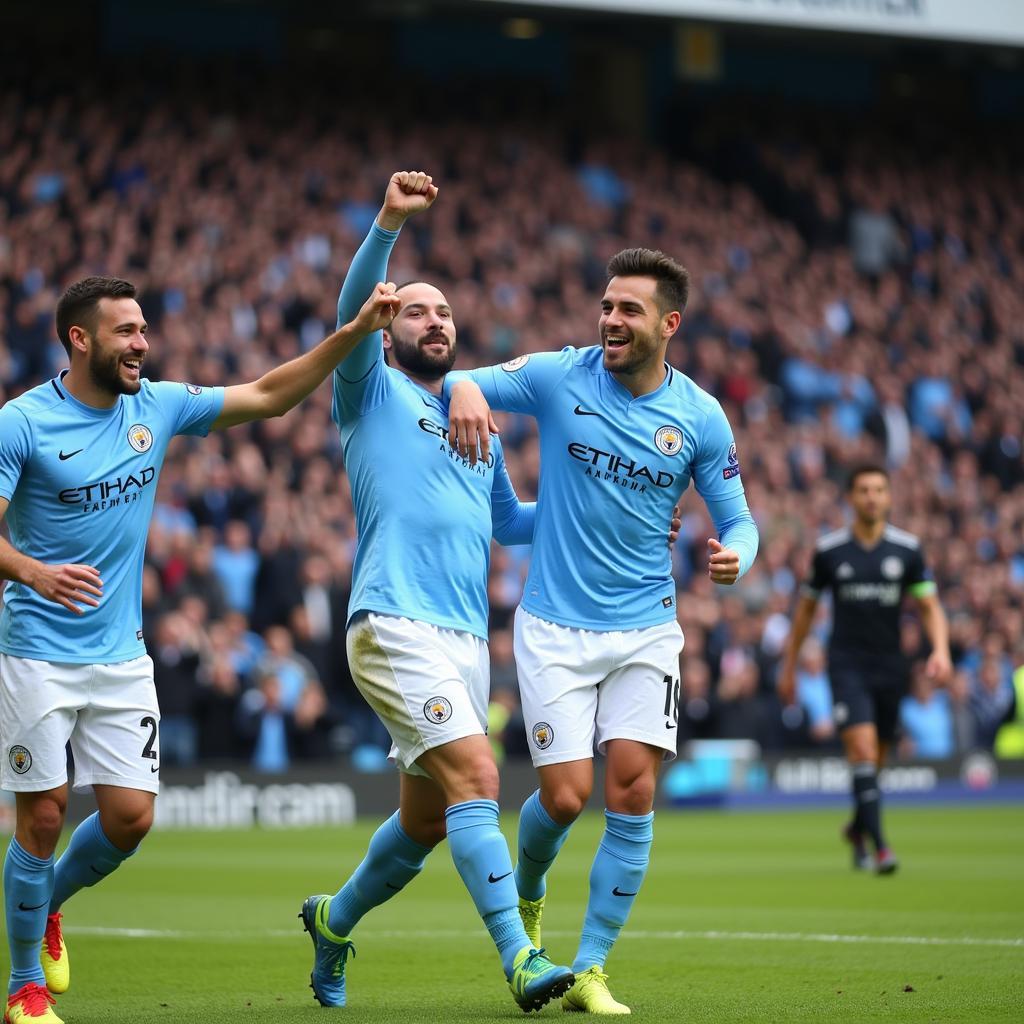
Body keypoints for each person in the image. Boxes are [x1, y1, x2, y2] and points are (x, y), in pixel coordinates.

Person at [0, 273, 400, 1024]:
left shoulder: (156, 405)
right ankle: (24, 984)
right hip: (36, 652)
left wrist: (354, 335)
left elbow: (271, 394)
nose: (143, 344)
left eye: (145, 329)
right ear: (80, 338)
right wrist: (32, 571)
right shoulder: (21, 423)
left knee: (129, 820)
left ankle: (44, 904)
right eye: (127, 332)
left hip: (120, 657)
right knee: (43, 818)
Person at [445, 247, 760, 1014]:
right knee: (563, 797)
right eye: (607, 306)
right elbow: (460, 376)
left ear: (669, 324)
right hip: (555, 628)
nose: (610, 320)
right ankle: (527, 889)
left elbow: (741, 520)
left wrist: (734, 558)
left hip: (647, 630)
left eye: (629, 310)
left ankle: (589, 968)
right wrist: (463, 393)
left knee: (633, 789)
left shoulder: (699, 417)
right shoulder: (559, 376)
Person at [297, 172, 575, 1014]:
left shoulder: (474, 426)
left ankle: (333, 922)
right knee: (480, 777)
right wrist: (387, 224)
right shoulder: (369, 391)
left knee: (426, 819)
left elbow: (510, 527)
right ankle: (520, 958)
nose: (436, 321)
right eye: (417, 310)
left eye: (446, 312)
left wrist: (594, 506)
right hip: (390, 620)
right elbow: (352, 310)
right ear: (388, 329)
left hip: (462, 638)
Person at [778, 464, 952, 874]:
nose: (871, 497)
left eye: (878, 490)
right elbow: (805, 612)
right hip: (846, 665)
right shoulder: (830, 551)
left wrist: (941, 650)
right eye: (863, 490)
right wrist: (789, 667)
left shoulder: (907, 550)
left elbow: (929, 605)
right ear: (851, 498)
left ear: (889, 497)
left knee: (875, 763)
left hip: (891, 667)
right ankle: (882, 846)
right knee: (860, 750)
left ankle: (857, 828)